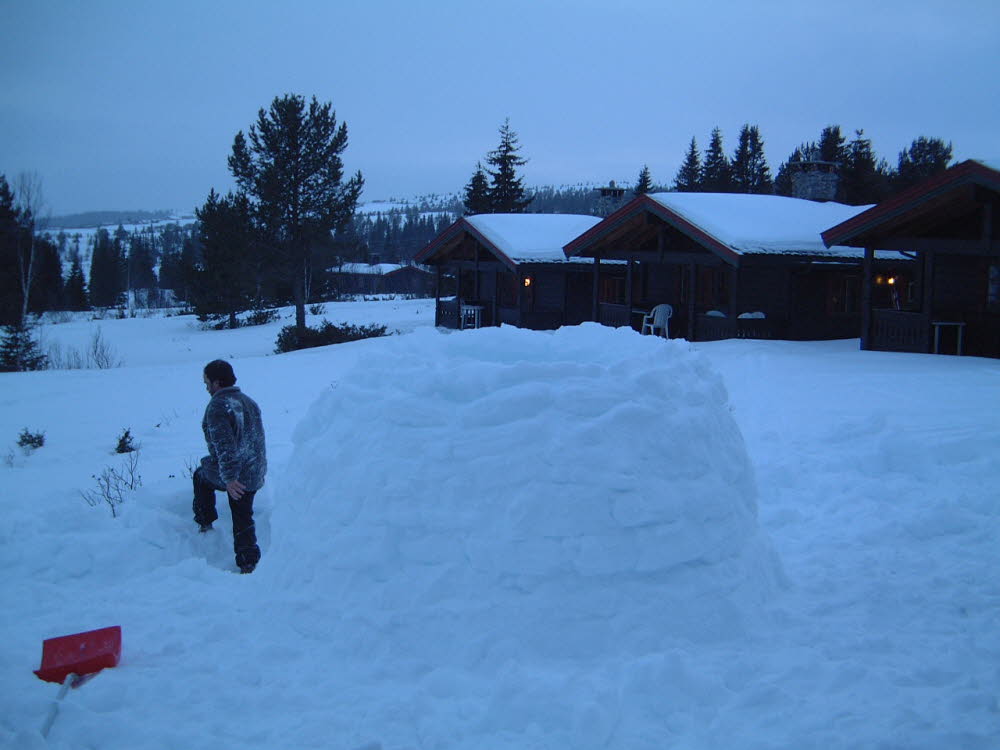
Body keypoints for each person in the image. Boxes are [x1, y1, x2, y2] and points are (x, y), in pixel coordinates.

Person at [193, 359, 267, 574]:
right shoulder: (248, 401)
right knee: (242, 513)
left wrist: (230, 478)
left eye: (206, 382)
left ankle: (205, 523)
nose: (205, 386)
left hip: (237, 474)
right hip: (255, 471)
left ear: (216, 383)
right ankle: (248, 563)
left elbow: (225, 446)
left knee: (201, 476)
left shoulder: (218, 406)